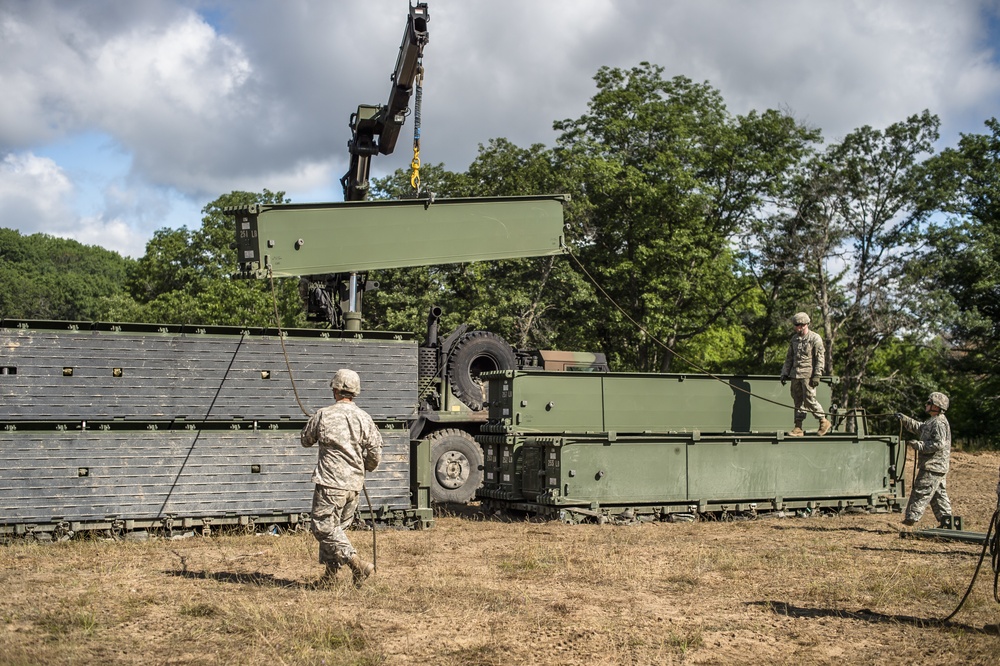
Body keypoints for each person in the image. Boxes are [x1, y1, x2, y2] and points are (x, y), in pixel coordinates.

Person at [301, 368, 383, 587]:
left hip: (330, 484)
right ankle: (329, 579)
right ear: (355, 392)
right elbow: (376, 451)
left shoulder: (323, 414)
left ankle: (358, 565)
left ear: (335, 389)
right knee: (338, 531)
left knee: (324, 528)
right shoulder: (365, 418)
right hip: (354, 486)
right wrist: (365, 467)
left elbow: (306, 440)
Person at [895, 392, 952, 528]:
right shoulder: (933, 421)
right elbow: (920, 428)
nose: (926, 405)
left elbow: (939, 444)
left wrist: (919, 445)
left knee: (920, 491)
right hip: (937, 466)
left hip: (933, 465)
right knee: (938, 496)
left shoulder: (939, 423)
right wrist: (904, 419)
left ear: (937, 407)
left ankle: (910, 519)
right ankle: (948, 522)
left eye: (929, 403)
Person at [779, 312, 831, 437]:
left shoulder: (814, 338)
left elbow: (820, 358)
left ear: (804, 325)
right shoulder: (794, 339)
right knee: (798, 401)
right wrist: (784, 373)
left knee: (809, 400)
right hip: (795, 374)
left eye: (797, 325)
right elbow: (789, 358)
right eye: (795, 325)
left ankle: (823, 421)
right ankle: (798, 427)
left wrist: (817, 374)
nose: (795, 327)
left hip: (808, 375)